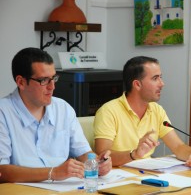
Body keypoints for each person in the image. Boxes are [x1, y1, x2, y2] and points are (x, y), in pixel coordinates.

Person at [0, 47, 111, 183]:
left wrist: (98, 163)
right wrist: (53, 173)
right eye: (44, 80)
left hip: (63, 189)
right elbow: (2, 170)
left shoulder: (63, 108)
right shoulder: (3, 113)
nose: (52, 86)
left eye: (54, 78)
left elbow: (83, 153)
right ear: (21, 82)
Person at [94, 56, 191, 169]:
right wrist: (134, 154)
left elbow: (178, 146)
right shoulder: (108, 111)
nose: (162, 84)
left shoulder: (157, 110)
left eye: (161, 77)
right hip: (118, 177)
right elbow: (103, 155)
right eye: (155, 78)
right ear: (137, 84)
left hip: (148, 175)